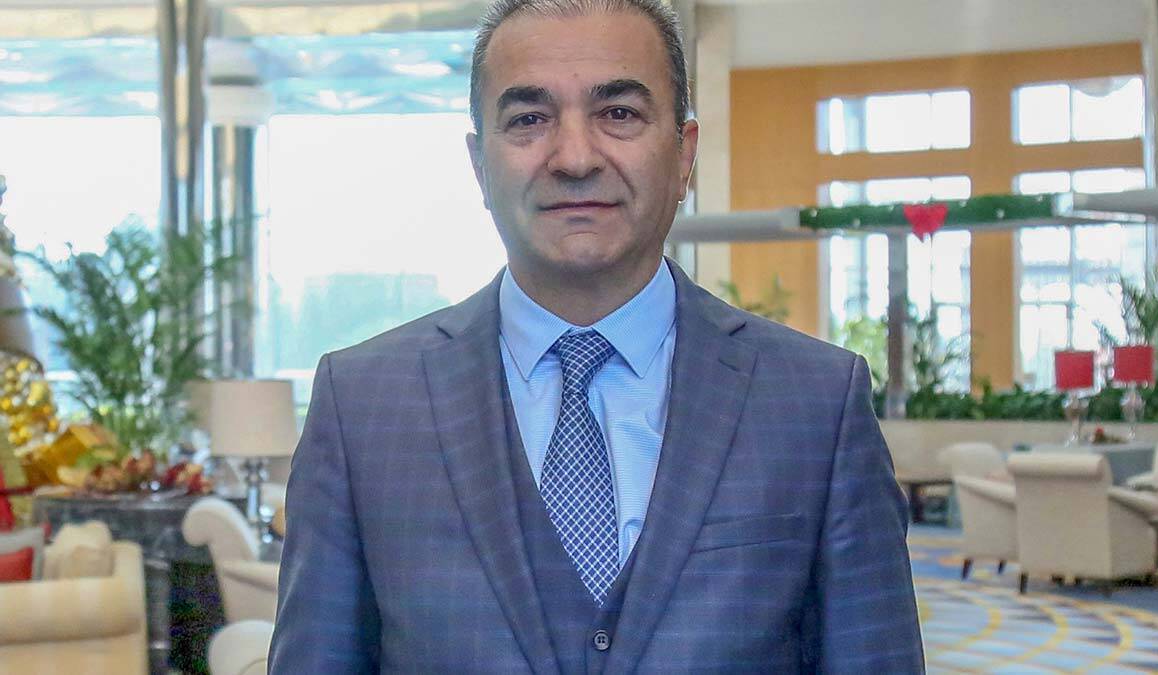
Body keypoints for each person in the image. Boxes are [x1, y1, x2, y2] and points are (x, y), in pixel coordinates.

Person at [268, 0, 923, 671]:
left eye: (619, 113)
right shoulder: (361, 405)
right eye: (529, 119)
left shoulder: (817, 402)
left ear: (684, 154)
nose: (575, 158)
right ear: (479, 165)